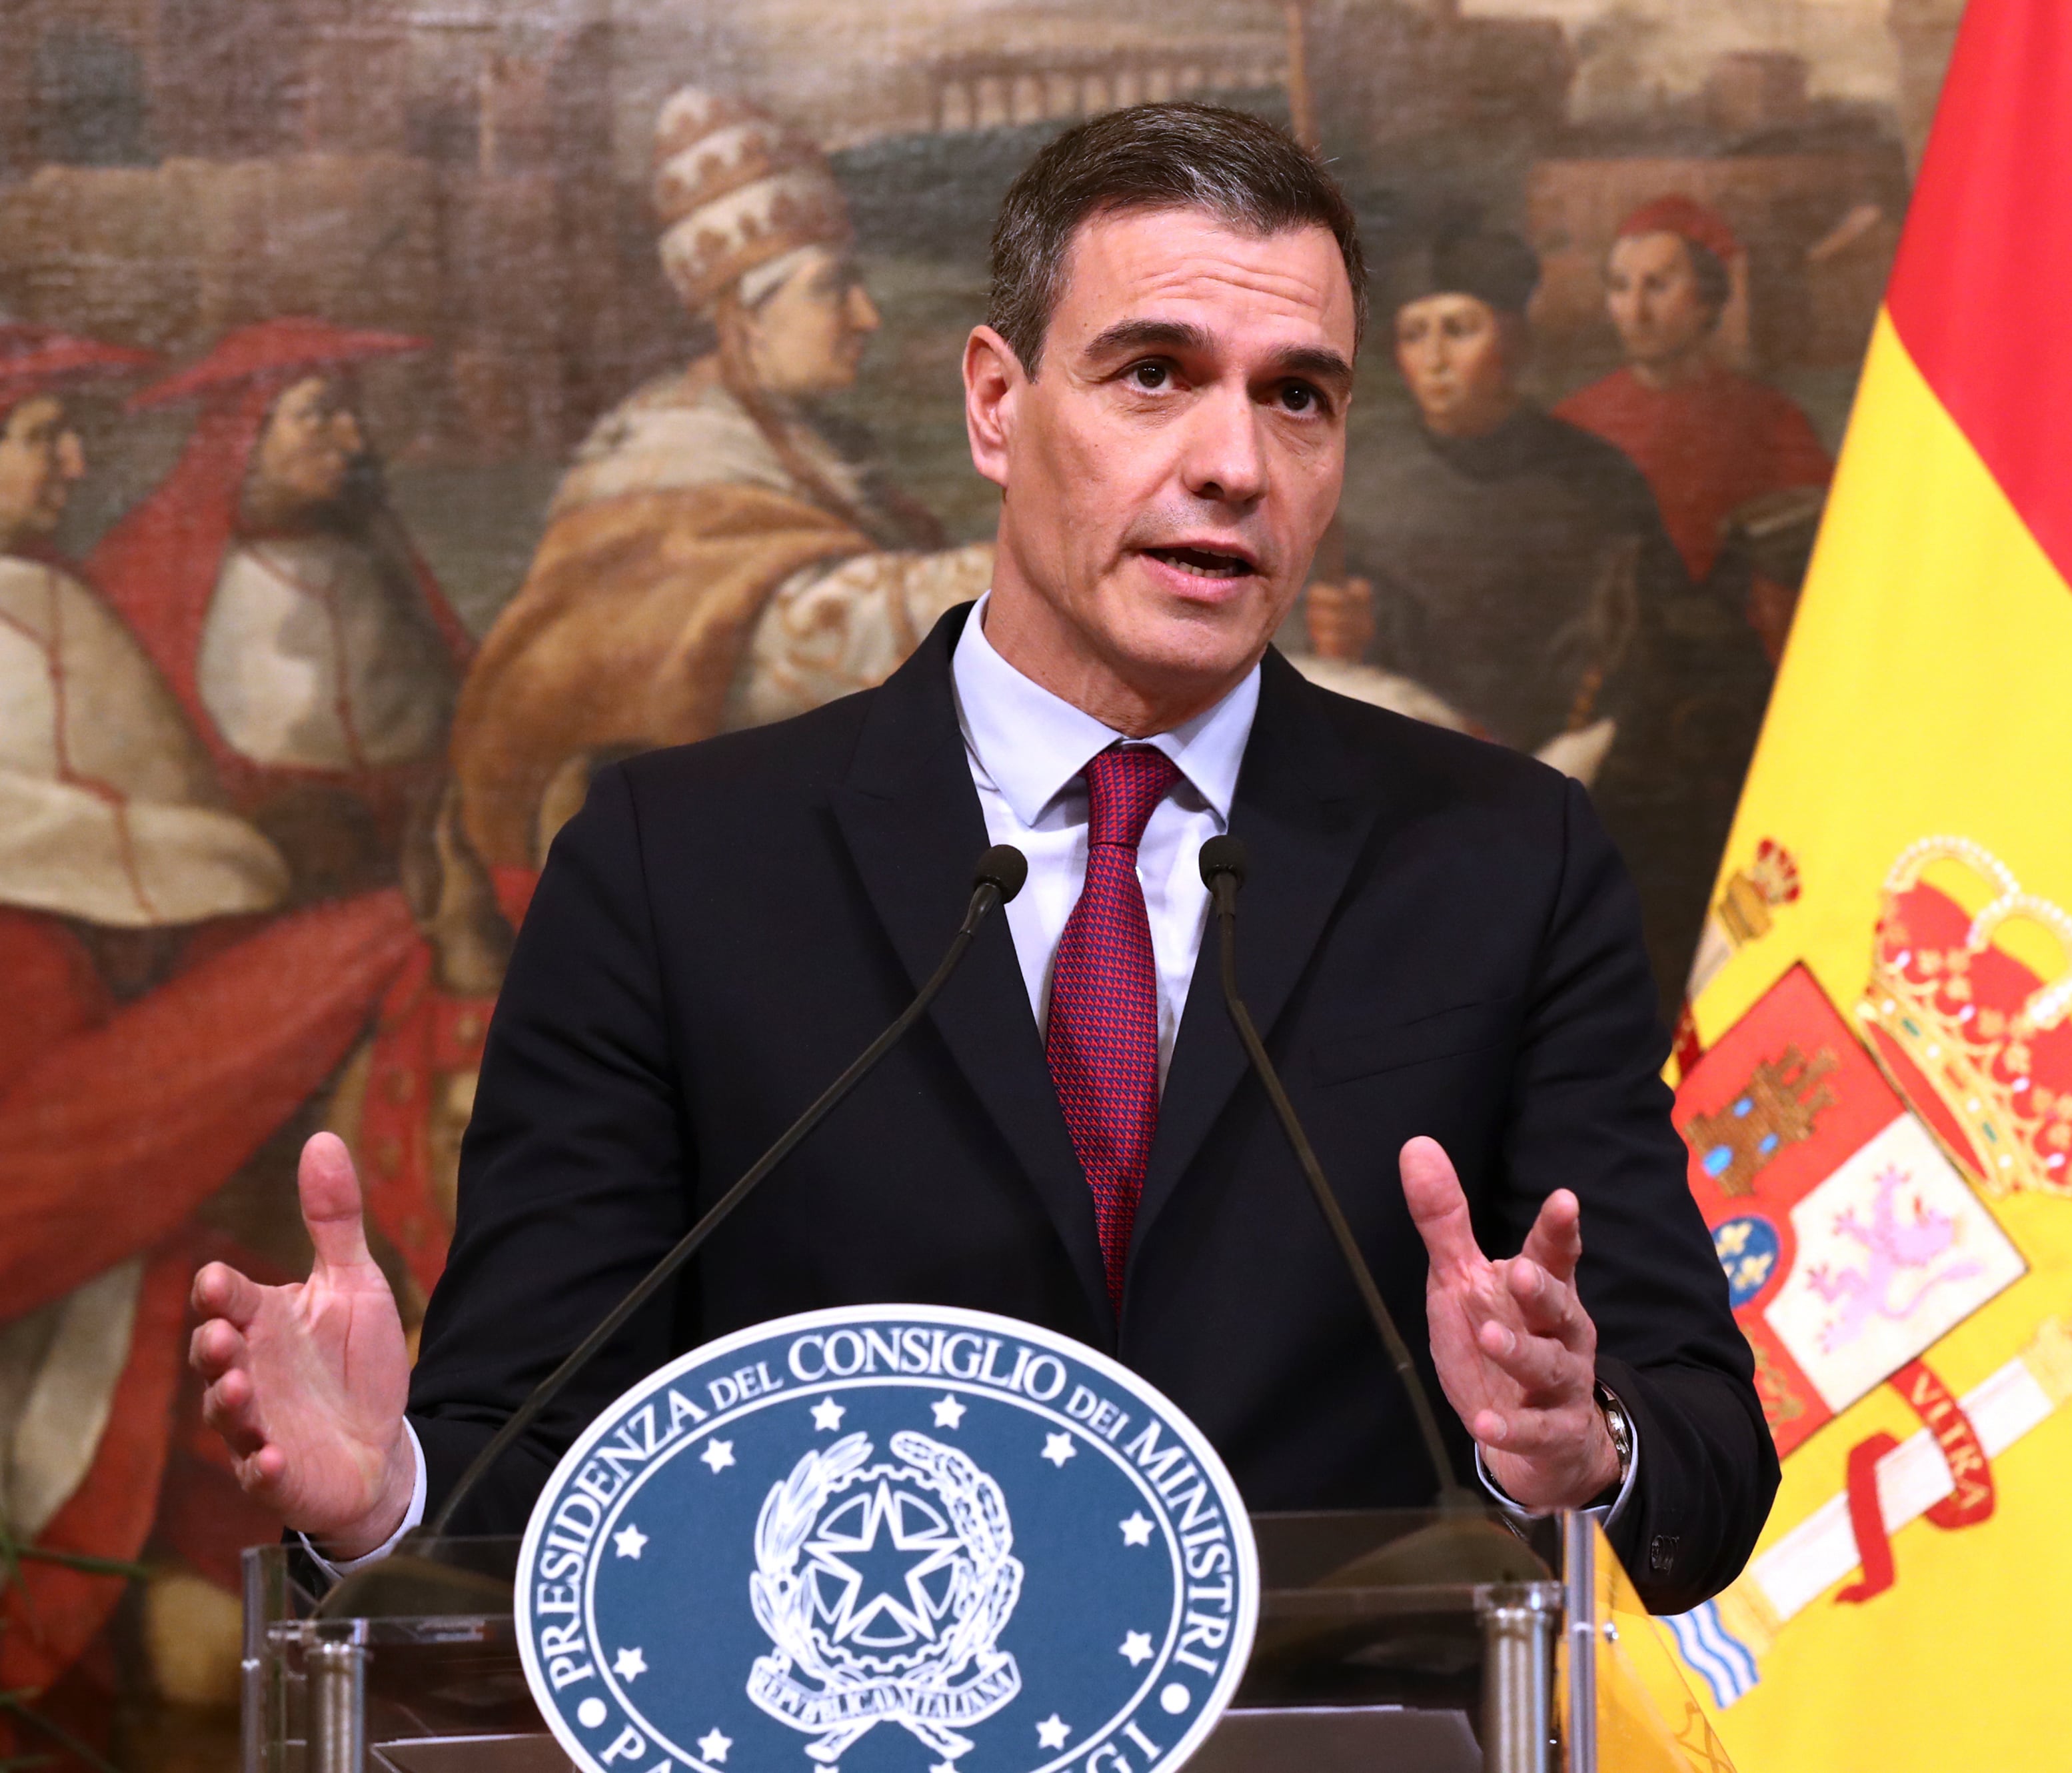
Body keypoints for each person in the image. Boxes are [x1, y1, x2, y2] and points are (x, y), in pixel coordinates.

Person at [187, 103, 1776, 1613]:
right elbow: (532, 1454)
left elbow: (1703, 1449)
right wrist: (380, 1491)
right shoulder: (676, 869)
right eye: (1154, 374)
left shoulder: (1500, 859)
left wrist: (1582, 1445)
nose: (1234, 461)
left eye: (1297, 395)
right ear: (995, 405)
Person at [0, 325, 438, 1727]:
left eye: (75, 432)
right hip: (78, 1002)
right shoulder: (114, 592)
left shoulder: (65, 601)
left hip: (181, 960)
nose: (71, 461)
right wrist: (241, 866)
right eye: (41, 435)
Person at [448, 87, 992, 871]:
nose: (866, 316)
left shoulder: (812, 443)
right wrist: (1025, 574)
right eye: (832, 287)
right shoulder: (666, 455)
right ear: (745, 313)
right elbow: (781, 651)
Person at [1555, 197, 1835, 1005]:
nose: (1633, 307)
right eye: (1619, 285)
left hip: (1738, 724)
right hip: (1617, 723)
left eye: (1658, 284)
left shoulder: (1771, 422)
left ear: (1709, 298)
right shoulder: (1580, 427)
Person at [86, 319, 471, 906]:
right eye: (317, 414)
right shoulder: (153, 564)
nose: (351, 440)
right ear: (244, 434)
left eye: (351, 415)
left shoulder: (375, 555)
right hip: (273, 857)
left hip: (418, 844)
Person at [1302, 229, 1681, 781]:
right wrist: (1335, 633)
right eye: (1414, 334)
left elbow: (1643, 646)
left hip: (1565, 765)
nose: (1434, 360)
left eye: (1459, 330)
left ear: (1517, 343)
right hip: (1395, 759)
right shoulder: (1351, 470)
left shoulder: (1598, 478)